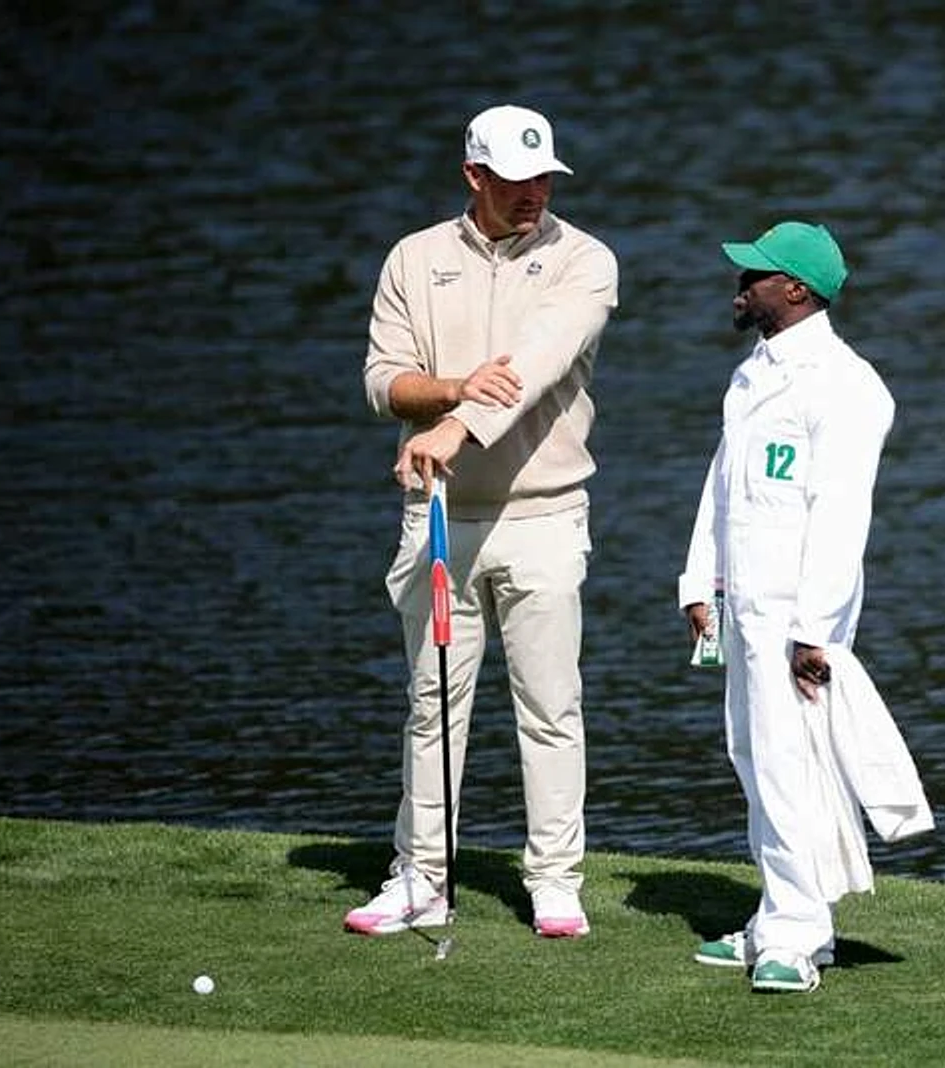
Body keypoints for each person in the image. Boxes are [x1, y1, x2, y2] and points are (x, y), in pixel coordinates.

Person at [345, 104, 618, 940]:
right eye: (514, 179)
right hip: (437, 515)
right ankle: (421, 876)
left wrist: (457, 425)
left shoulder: (585, 261)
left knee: (549, 706)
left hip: (543, 514)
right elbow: (383, 382)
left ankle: (554, 881)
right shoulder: (415, 259)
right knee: (432, 706)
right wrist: (455, 389)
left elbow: (536, 367)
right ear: (474, 176)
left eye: (543, 176)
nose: (533, 192)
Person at [677, 221, 932, 994]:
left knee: (791, 768)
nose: (741, 284)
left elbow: (841, 516)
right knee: (754, 761)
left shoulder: (847, 385)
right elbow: (723, 488)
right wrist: (700, 583)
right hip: (744, 606)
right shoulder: (754, 371)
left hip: (795, 617)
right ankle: (775, 918)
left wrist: (815, 630)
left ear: (795, 289)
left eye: (755, 274)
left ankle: (798, 936)